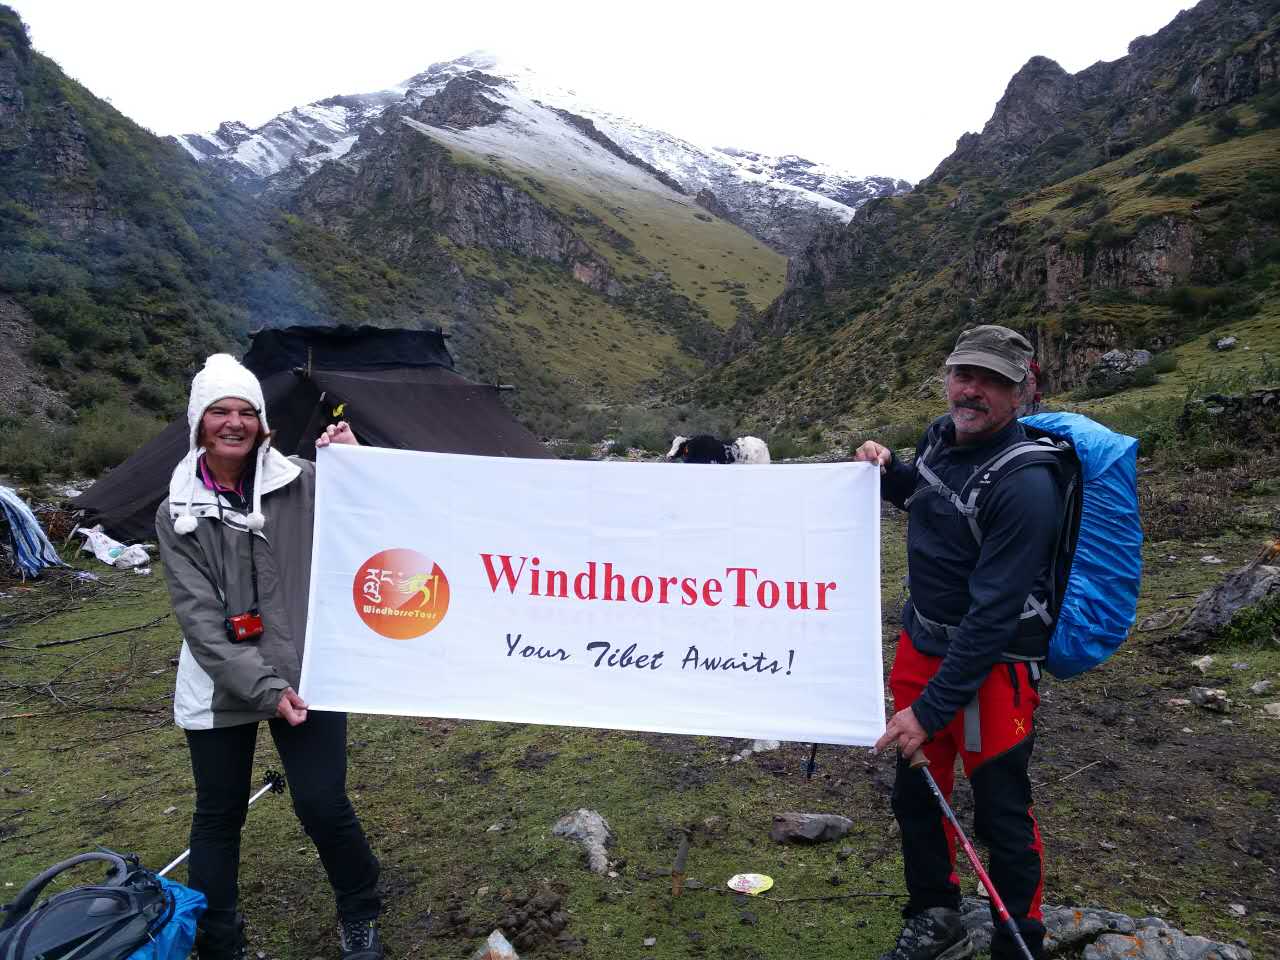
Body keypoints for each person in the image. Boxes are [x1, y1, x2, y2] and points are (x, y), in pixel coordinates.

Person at [156, 354, 384, 960]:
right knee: (219, 812)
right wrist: (264, 688)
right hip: (219, 678)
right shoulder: (177, 511)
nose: (234, 423)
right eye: (220, 412)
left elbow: (376, 517)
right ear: (198, 422)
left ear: (261, 422)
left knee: (322, 802)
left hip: (307, 668)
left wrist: (356, 462)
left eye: (246, 412)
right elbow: (200, 621)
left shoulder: (303, 481)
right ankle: (218, 939)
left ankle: (361, 909)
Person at [856, 326, 1061, 960]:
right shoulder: (940, 439)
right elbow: (927, 498)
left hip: (994, 664)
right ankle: (935, 918)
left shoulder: (1027, 484)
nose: (972, 390)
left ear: (1022, 392)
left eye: (993, 381)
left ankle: (1019, 941)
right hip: (922, 642)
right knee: (916, 793)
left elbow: (992, 617)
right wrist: (887, 471)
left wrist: (929, 710)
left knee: (1001, 807)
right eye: (964, 375)